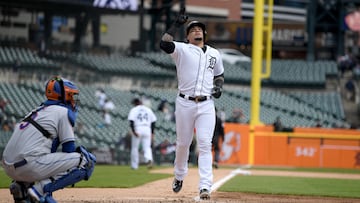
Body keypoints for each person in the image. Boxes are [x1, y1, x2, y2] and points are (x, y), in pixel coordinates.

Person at [159, 8, 224, 200]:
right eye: (192, 29)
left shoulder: (214, 54)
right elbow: (164, 44)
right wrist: (176, 25)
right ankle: (179, 176)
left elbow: (219, 75)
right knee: (183, 144)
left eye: (199, 29)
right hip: (185, 103)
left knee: (205, 144)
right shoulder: (181, 49)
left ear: (204, 33)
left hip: (206, 104)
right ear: (187, 36)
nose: (197, 31)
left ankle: (205, 187)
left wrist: (218, 87)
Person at [1, 76, 96, 203]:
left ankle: (21, 187)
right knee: (86, 161)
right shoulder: (62, 111)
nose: (73, 100)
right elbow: (69, 149)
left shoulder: (38, 111)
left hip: (8, 165)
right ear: (63, 95)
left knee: (45, 157)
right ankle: (39, 191)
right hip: (29, 165)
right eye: (70, 95)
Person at [127, 98, 157, 170]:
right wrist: (152, 133)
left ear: (135, 103)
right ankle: (149, 159)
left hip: (138, 128)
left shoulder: (134, 109)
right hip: (147, 129)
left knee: (135, 148)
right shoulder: (148, 109)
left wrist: (134, 131)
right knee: (147, 147)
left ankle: (134, 166)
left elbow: (131, 121)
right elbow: (153, 121)